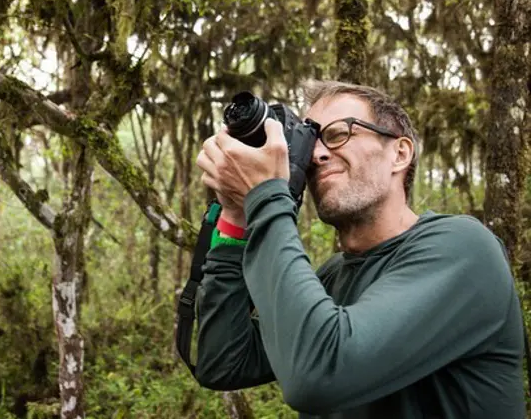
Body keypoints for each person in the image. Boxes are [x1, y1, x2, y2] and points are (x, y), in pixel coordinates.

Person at [194, 80, 525, 419]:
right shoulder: (331, 277)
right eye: (310, 142)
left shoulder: (464, 249)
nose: (318, 155)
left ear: (400, 153)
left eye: (338, 134)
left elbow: (321, 375)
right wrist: (236, 217)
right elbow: (223, 363)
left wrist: (266, 196)